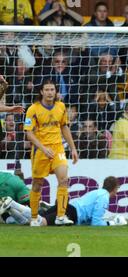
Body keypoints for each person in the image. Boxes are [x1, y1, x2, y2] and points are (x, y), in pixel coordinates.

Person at [24, 79, 79, 226]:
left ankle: (60, 216)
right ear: (41, 92)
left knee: (64, 180)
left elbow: (64, 127)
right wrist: (43, 148)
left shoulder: (61, 106)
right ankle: (34, 218)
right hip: (40, 150)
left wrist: (73, 148)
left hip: (57, 149)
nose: (50, 92)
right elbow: (29, 134)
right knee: (37, 184)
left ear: (55, 91)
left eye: (52, 90)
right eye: (47, 90)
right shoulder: (33, 109)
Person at [0, 176, 128, 227]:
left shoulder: (98, 192)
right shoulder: (104, 197)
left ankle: (10, 207)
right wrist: (112, 223)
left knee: (31, 221)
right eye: (117, 189)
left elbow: (90, 219)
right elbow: (95, 222)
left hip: (68, 207)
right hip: (71, 212)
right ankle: (13, 204)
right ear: (115, 188)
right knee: (40, 222)